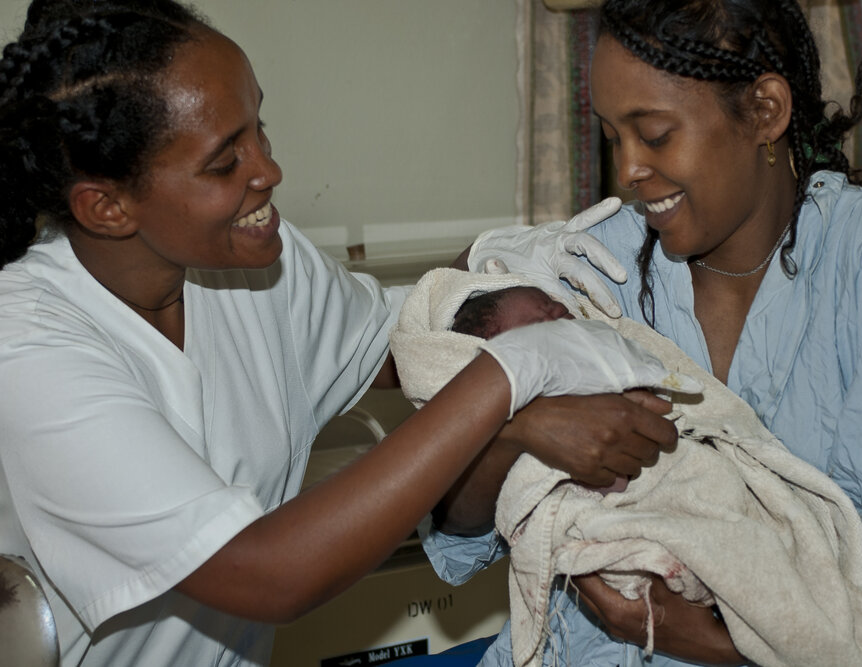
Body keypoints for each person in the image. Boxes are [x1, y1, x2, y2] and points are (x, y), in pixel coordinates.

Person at [0, 1, 682, 665]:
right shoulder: (29, 348)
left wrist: (493, 276)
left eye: (257, 129)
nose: (268, 171)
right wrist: (514, 375)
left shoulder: (251, 262)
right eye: (223, 163)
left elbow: (394, 347)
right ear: (107, 206)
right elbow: (270, 574)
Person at [423, 1, 862, 666]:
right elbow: (462, 521)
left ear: (765, 111)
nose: (629, 171)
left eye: (656, 134)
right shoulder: (596, 266)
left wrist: (689, 637)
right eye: (613, 137)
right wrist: (515, 432)